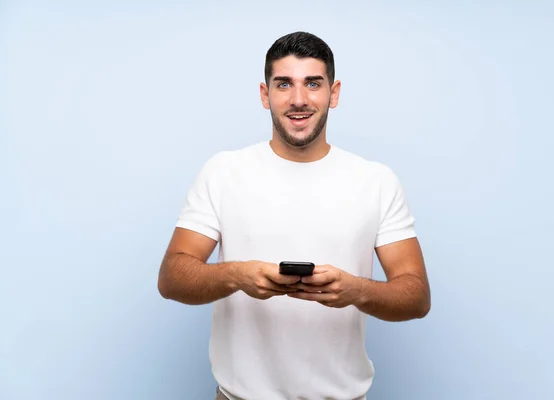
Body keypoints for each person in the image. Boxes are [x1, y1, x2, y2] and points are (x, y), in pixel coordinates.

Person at [158, 31, 431, 400]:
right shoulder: (223, 172)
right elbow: (172, 278)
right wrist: (238, 275)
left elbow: (416, 296)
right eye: (284, 84)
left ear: (333, 94)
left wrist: (355, 290)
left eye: (313, 84)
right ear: (264, 93)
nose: (299, 99)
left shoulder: (376, 180)